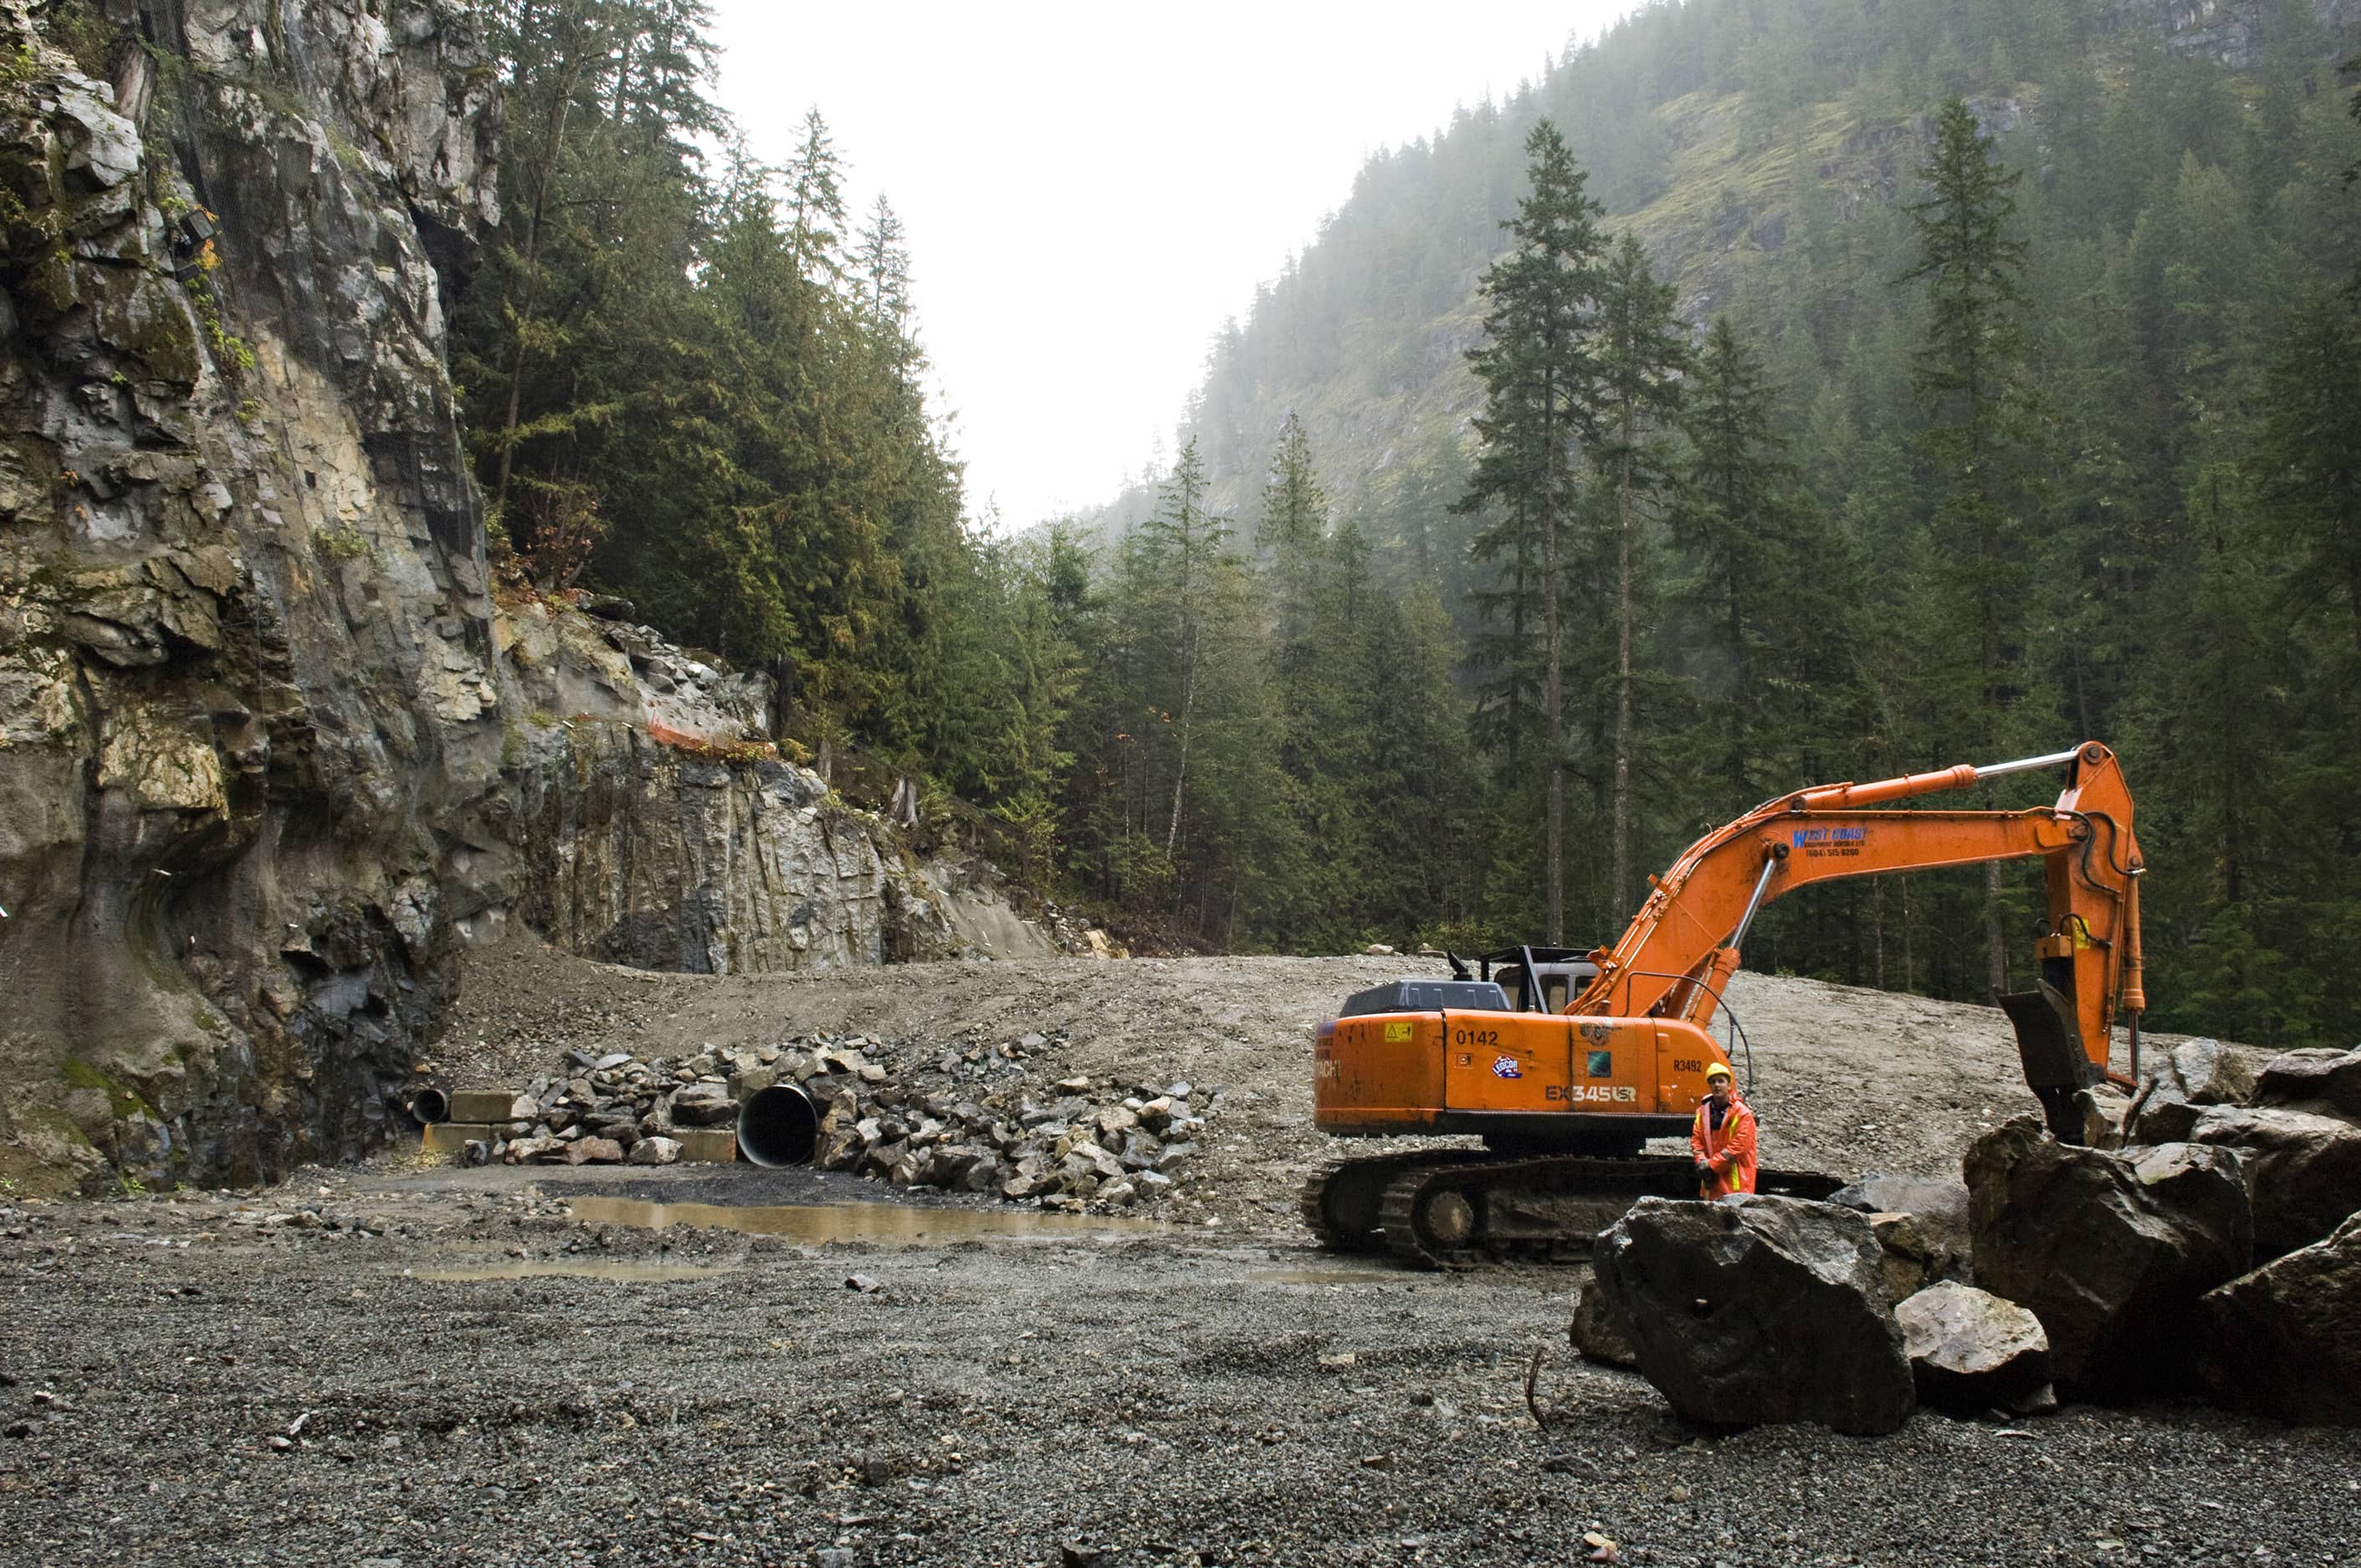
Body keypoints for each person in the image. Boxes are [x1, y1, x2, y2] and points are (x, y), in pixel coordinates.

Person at [1690, 1061, 1757, 1200]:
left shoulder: (1742, 1113)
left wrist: (1711, 1166)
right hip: (1712, 1182)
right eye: (1713, 1082)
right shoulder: (1702, 1112)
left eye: (1721, 1081)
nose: (1717, 1085)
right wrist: (1702, 1162)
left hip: (1736, 1184)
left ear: (1729, 1085)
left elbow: (1738, 1148)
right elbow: (1697, 1141)